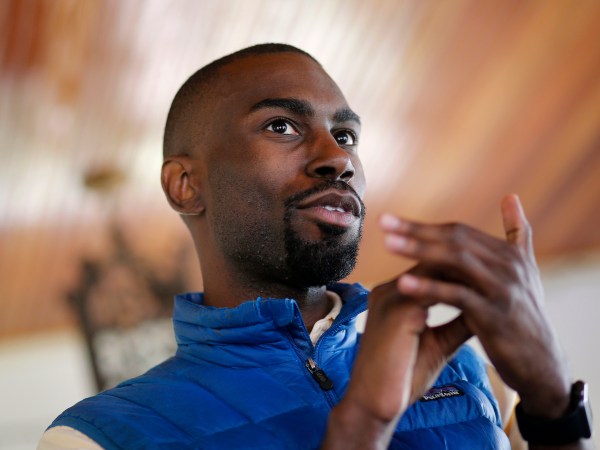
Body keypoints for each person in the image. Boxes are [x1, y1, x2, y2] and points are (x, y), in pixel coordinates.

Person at [39, 43, 593, 449]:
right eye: (281, 126)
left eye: (347, 135)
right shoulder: (96, 438)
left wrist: (552, 403)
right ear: (186, 186)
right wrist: (361, 432)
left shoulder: (465, 369)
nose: (339, 157)